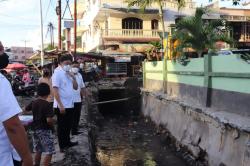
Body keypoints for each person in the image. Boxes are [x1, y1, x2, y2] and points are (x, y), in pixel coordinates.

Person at [0, 41, 33, 166]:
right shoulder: (1, 81)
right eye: (2, 49)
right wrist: (27, 158)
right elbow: (12, 125)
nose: (4, 54)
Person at [24, 83, 55, 166]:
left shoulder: (34, 102)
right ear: (48, 93)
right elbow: (49, 120)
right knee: (50, 151)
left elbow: (24, 110)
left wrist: (35, 113)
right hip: (44, 129)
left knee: (38, 150)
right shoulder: (47, 104)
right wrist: (53, 125)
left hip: (35, 129)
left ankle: (36, 164)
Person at [52, 54, 78, 151]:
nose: (68, 65)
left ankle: (68, 142)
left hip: (70, 104)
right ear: (60, 63)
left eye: (70, 63)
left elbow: (75, 88)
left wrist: (73, 77)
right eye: (66, 63)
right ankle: (62, 145)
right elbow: (55, 91)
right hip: (62, 106)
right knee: (62, 126)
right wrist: (60, 105)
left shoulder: (69, 73)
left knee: (68, 125)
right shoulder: (57, 73)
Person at [71, 61, 86, 135]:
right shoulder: (68, 75)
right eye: (74, 66)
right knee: (71, 116)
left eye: (77, 67)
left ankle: (75, 130)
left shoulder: (79, 75)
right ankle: (71, 130)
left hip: (78, 99)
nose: (75, 68)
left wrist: (85, 96)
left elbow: (82, 87)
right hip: (70, 100)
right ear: (71, 66)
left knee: (77, 116)